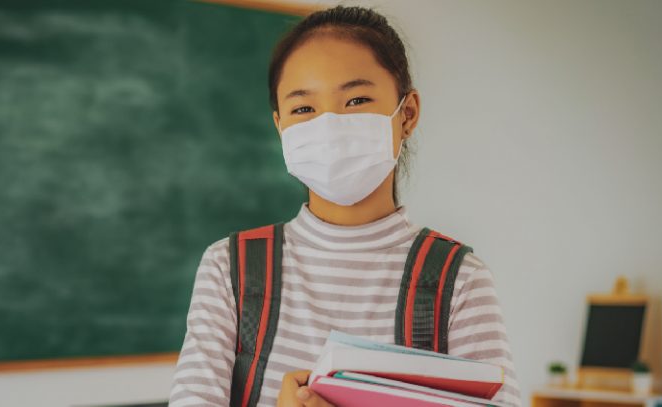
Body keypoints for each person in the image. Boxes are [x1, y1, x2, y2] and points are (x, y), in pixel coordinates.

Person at [168, 5, 520, 407]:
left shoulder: (458, 282)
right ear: (280, 125)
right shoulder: (229, 270)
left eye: (356, 100)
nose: (329, 125)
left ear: (407, 113)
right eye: (304, 108)